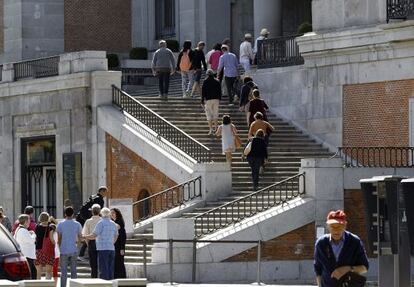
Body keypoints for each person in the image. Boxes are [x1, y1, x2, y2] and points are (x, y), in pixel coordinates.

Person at [314, 210, 369, 287]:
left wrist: (348, 269)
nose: (336, 230)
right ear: (328, 227)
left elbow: (364, 267)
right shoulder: (321, 243)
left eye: (339, 226)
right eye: (332, 226)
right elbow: (318, 269)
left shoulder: (354, 241)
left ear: (345, 226)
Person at [76, 186, 107, 260]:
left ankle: (82, 254)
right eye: (105, 192)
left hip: (81, 217)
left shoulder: (92, 196)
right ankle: (82, 254)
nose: (106, 194)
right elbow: (99, 212)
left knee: (88, 235)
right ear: (102, 191)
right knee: (91, 235)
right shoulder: (100, 199)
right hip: (90, 218)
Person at [87, 207, 118, 280]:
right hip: (111, 248)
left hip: (103, 248)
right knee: (110, 269)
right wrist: (112, 242)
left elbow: (94, 235)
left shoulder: (101, 223)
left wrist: (85, 236)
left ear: (101, 214)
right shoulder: (113, 223)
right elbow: (116, 235)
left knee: (103, 269)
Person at [57, 206, 83, 287]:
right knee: (74, 271)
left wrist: (59, 248)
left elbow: (59, 238)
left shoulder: (60, 224)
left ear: (65, 214)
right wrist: (78, 247)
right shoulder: (77, 224)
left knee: (63, 271)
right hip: (73, 249)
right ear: (73, 214)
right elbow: (80, 238)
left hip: (63, 250)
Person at [14, 214, 37, 279]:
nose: (30, 222)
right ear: (26, 221)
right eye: (29, 220)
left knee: (32, 274)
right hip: (27, 256)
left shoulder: (19, 229)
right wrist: (33, 234)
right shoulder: (23, 230)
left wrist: (29, 233)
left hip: (26, 255)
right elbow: (32, 240)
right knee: (31, 276)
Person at [82, 204, 101, 278]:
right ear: (99, 211)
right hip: (102, 243)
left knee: (93, 265)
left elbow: (85, 234)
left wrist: (88, 243)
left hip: (92, 243)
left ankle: (94, 280)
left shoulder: (88, 221)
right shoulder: (102, 220)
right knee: (101, 263)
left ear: (92, 212)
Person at [202, 69, 222, 135]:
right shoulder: (217, 81)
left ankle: (210, 129)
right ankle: (216, 129)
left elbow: (203, 92)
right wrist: (220, 98)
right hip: (216, 99)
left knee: (209, 115)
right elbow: (219, 91)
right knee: (215, 114)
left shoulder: (205, 81)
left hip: (208, 100)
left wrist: (202, 100)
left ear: (207, 74)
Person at [34, 212, 54, 279]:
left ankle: (38, 284)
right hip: (48, 250)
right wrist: (56, 244)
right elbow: (51, 239)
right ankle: (48, 284)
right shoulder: (50, 227)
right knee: (48, 271)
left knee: (38, 271)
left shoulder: (37, 226)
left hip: (38, 250)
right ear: (48, 218)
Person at [111, 208, 126, 279]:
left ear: (117, 213)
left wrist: (122, 248)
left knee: (120, 263)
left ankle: (122, 278)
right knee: (115, 263)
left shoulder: (120, 222)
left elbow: (123, 237)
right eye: (111, 213)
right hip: (114, 246)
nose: (112, 214)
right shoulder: (113, 221)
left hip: (119, 246)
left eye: (113, 213)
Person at [48, 217, 60, 285]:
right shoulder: (57, 233)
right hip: (56, 252)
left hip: (50, 252)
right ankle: (55, 284)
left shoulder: (48, 232)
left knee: (49, 270)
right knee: (55, 270)